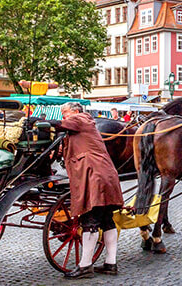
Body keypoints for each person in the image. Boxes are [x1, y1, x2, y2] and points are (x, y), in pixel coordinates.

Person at [52, 102, 124, 279]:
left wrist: (40, 121)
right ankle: (110, 263)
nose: (63, 116)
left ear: (76, 111)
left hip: (95, 178)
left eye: (65, 113)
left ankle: (85, 266)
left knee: (90, 220)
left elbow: (62, 124)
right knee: (107, 220)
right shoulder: (80, 130)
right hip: (104, 176)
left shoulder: (82, 119)